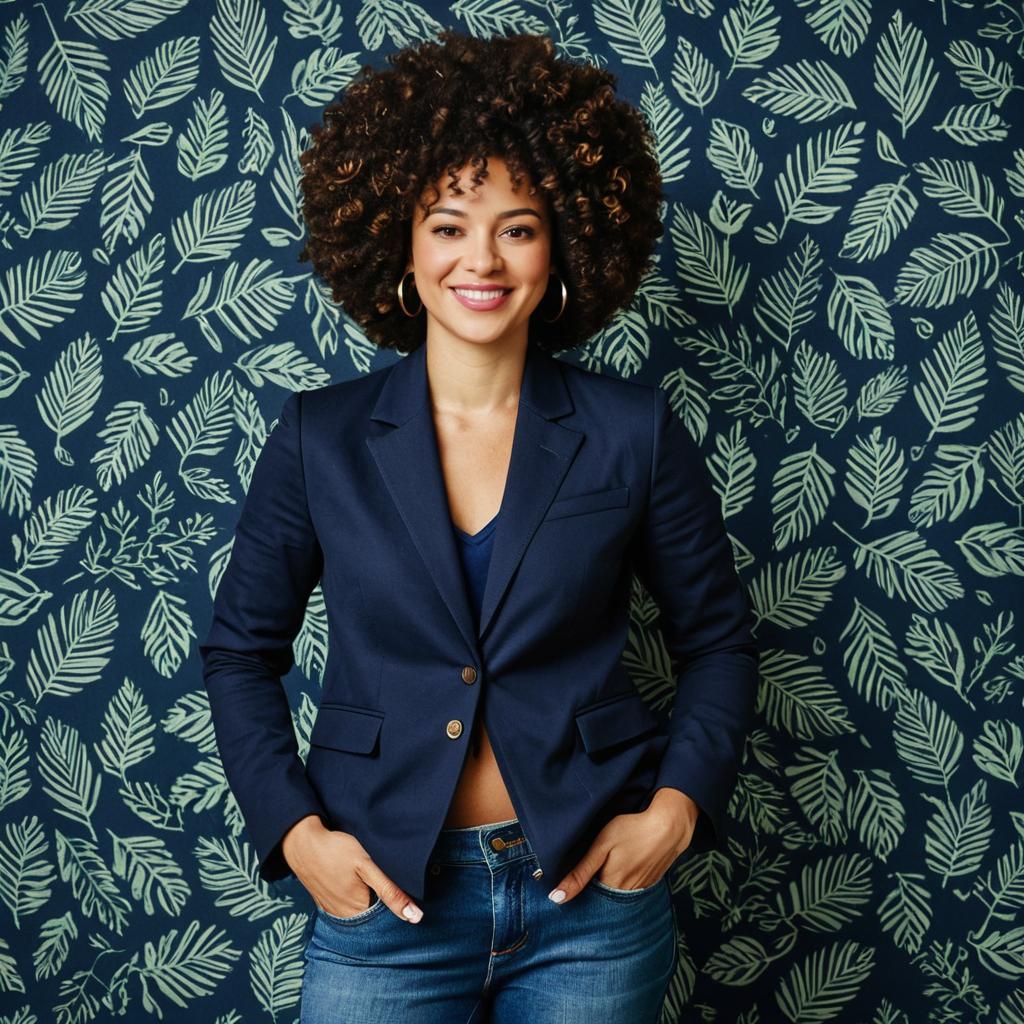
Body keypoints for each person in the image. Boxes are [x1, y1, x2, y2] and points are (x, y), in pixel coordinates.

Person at [199, 29, 760, 1023]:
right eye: (449, 225)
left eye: (519, 228)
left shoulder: (632, 431)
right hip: (384, 898)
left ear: (565, 246)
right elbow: (239, 651)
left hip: (591, 905)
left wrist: (675, 812)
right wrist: (295, 833)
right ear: (400, 246)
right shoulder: (319, 438)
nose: (482, 260)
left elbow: (717, 639)